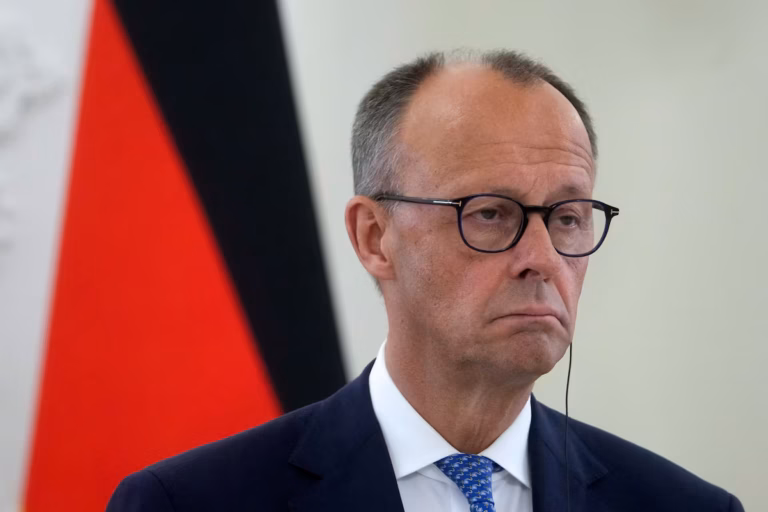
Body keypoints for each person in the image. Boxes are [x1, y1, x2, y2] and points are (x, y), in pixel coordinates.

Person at [107, 49, 744, 511]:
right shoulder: (190, 501)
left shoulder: (684, 506)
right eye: (491, 214)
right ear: (374, 237)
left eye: (568, 217)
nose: (542, 257)